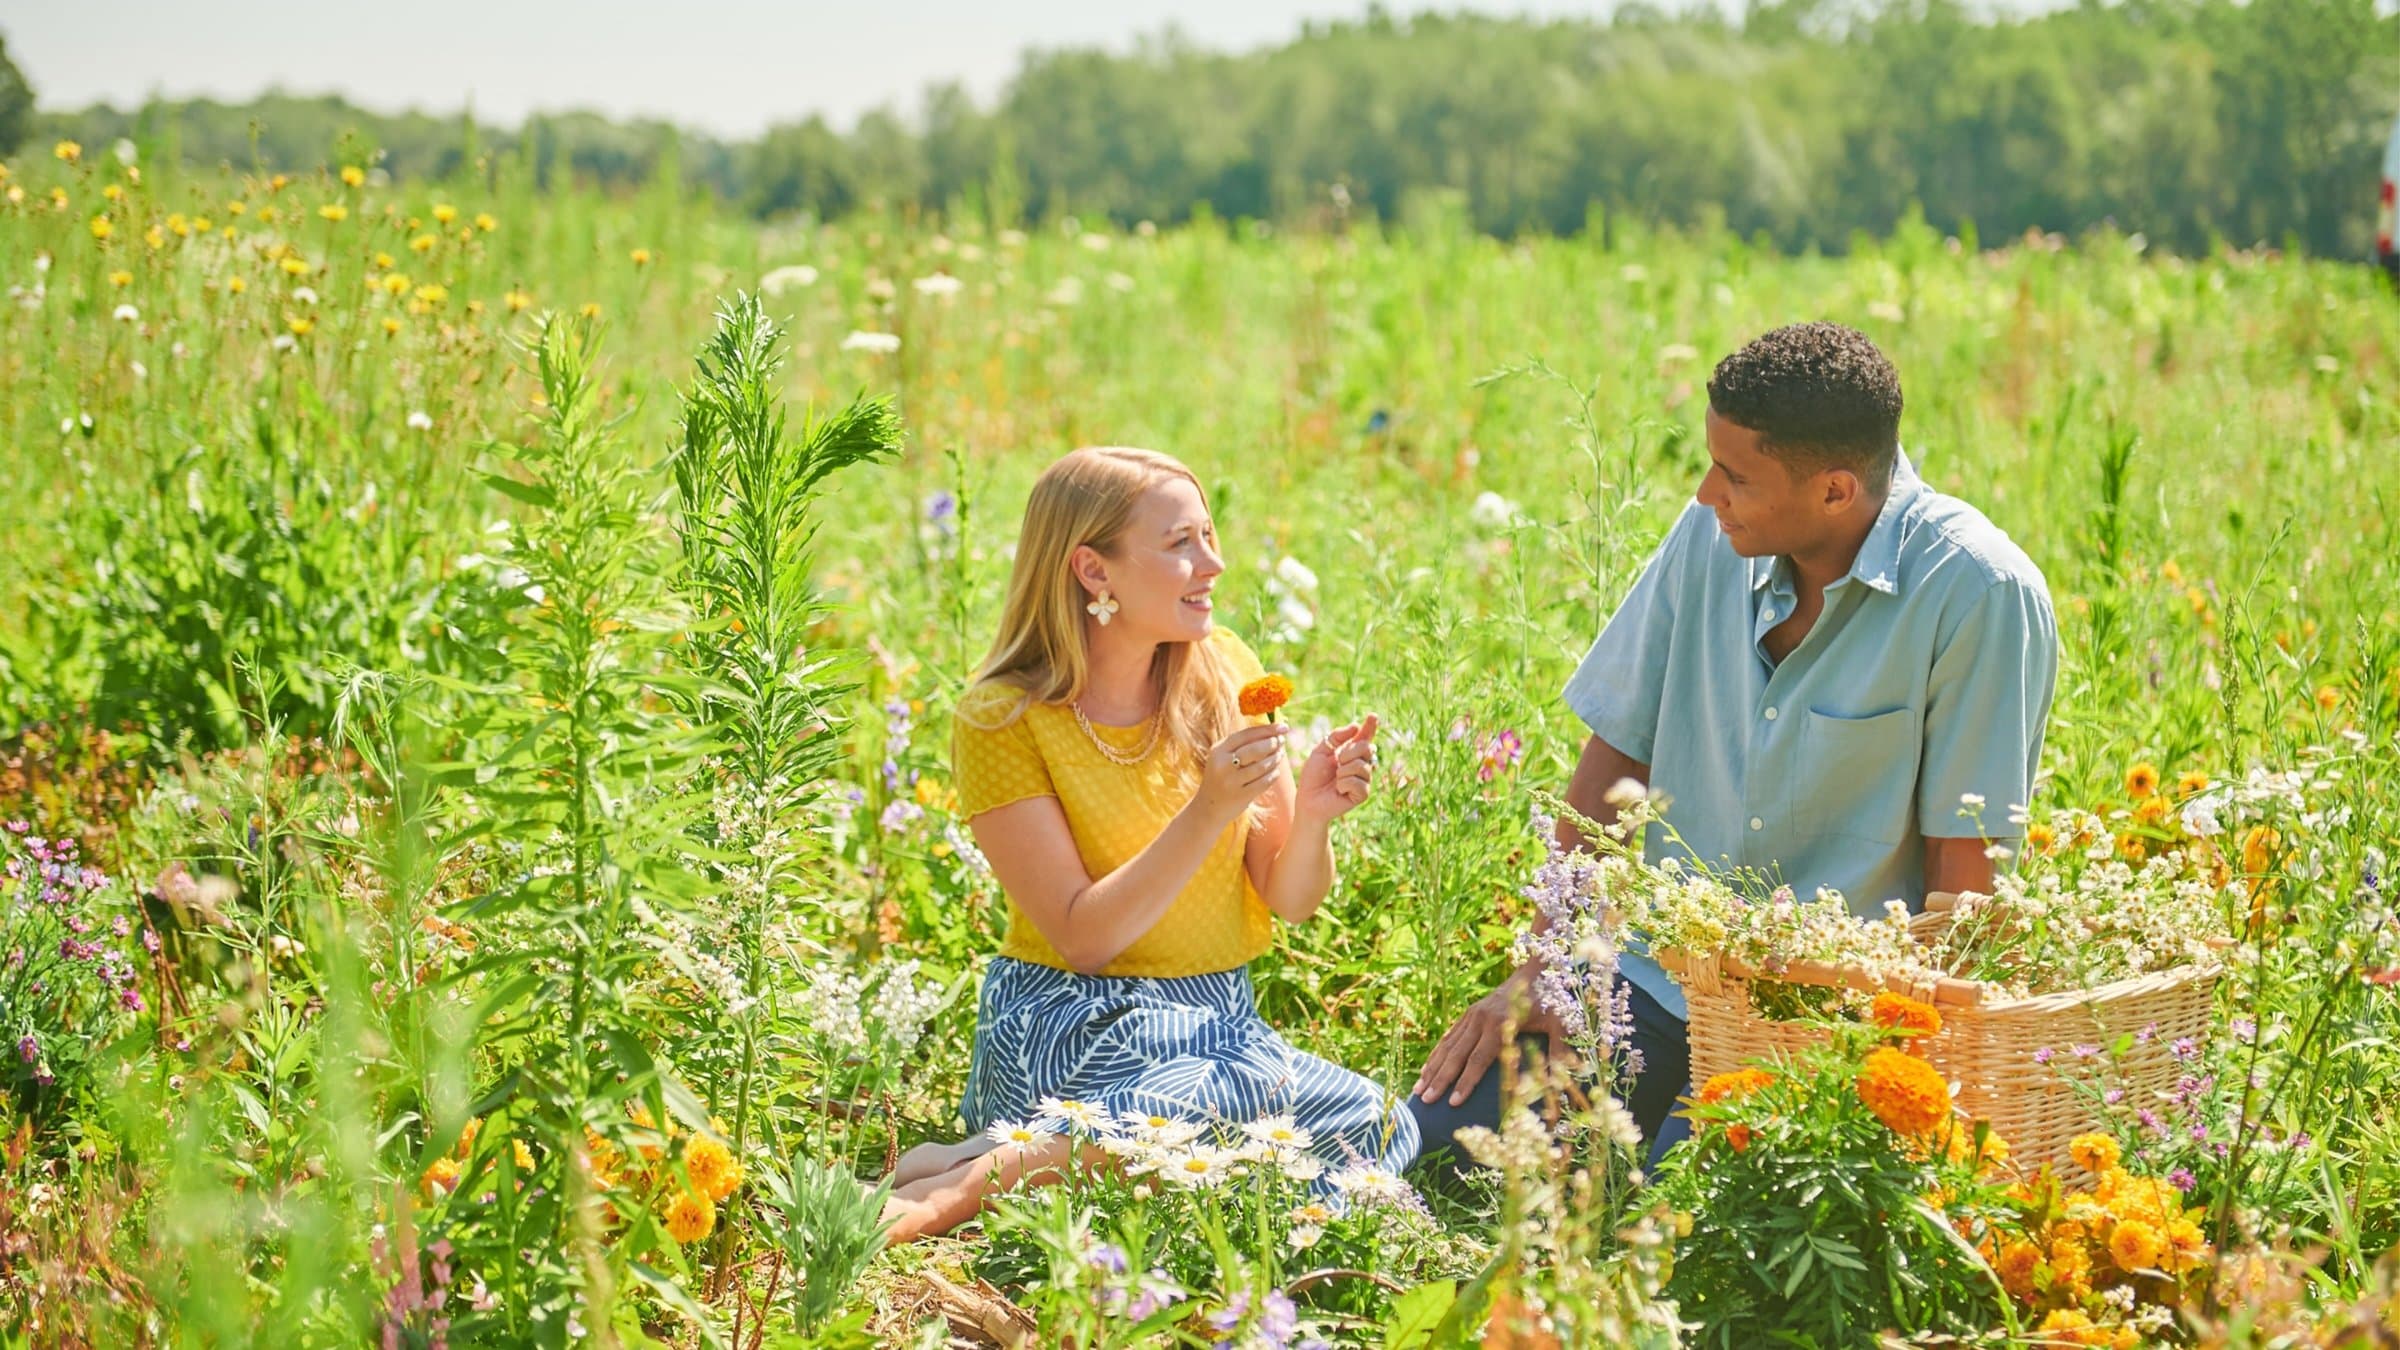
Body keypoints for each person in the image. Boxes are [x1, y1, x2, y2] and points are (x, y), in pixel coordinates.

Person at [1409, 322, 2058, 1167]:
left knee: (1681, 1218)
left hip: (1830, 1025)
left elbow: (1964, 887)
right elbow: (1617, 755)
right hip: (1652, 986)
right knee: (1428, 1149)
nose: (1709, 493)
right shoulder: (1710, 535)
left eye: (1736, 476)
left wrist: (1899, 1088)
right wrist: (1549, 963)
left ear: (1834, 491)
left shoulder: (1980, 593)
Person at [881, 446, 1415, 1241]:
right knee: (1201, 1113)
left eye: (1209, 535)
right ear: (1094, 572)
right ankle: (948, 1198)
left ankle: (976, 1160)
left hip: (1215, 1024)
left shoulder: (1224, 671)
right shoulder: (1001, 718)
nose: (1215, 562)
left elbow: (1291, 898)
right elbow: (1084, 937)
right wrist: (1205, 812)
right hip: (1068, 1016)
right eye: (1181, 544)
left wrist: (1314, 816)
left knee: (1379, 1127)